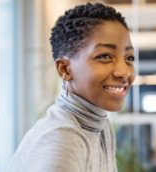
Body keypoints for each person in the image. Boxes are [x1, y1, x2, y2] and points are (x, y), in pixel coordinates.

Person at [9, 2, 135, 172]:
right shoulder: (62, 139)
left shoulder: (101, 124)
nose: (124, 71)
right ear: (65, 69)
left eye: (129, 58)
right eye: (105, 56)